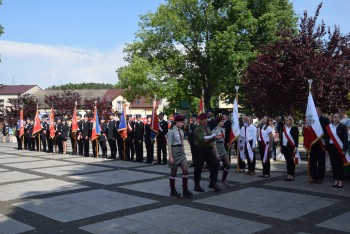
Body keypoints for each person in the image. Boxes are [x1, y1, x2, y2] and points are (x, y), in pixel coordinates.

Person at [193, 113, 221, 192]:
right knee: (198, 168)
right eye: (205, 119)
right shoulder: (197, 129)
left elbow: (210, 135)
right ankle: (197, 184)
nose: (207, 120)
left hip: (208, 149)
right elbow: (202, 140)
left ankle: (213, 182)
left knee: (215, 165)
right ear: (201, 120)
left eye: (207, 119)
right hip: (200, 150)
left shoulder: (207, 127)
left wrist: (215, 137)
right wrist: (211, 138)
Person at [167, 114, 194, 197]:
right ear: (177, 122)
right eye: (181, 122)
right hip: (174, 151)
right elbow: (169, 144)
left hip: (181, 152)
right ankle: (173, 190)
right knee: (173, 172)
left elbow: (182, 142)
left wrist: (184, 152)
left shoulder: (181, 131)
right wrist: (170, 156)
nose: (183, 124)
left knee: (185, 170)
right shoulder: (171, 131)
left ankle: (185, 190)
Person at [325, 113, 348, 188]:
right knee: (333, 164)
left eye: (338, 117)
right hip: (331, 147)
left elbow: (345, 139)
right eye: (335, 117)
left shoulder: (343, 127)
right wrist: (326, 149)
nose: (337, 118)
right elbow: (326, 139)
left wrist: (344, 149)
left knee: (340, 164)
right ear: (332, 118)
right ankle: (335, 179)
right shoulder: (328, 127)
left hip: (339, 147)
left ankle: (340, 180)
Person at [309, 107, 329, 184]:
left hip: (321, 144)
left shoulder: (325, 120)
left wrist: (326, 146)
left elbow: (327, 134)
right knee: (312, 161)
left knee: (321, 162)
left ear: (320, 111)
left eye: (316, 111)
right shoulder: (311, 121)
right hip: (313, 144)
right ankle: (313, 176)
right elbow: (307, 133)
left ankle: (320, 177)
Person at [212, 116, 232, 186]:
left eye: (223, 121)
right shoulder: (215, 130)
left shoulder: (223, 130)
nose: (223, 122)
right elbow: (213, 141)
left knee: (228, 164)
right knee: (216, 166)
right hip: (217, 147)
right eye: (221, 121)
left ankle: (224, 180)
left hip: (222, 148)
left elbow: (223, 139)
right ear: (218, 122)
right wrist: (216, 152)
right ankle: (213, 181)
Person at [281, 116, 299, 181]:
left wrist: (296, 147)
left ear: (291, 121)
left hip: (291, 147)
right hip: (285, 146)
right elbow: (282, 137)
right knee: (287, 161)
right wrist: (281, 146)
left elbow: (296, 138)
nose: (286, 122)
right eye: (285, 121)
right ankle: (288, 174)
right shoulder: (284, 128)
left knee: (291, 161)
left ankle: (291, 175)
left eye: (288, 120)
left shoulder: (294, 128)